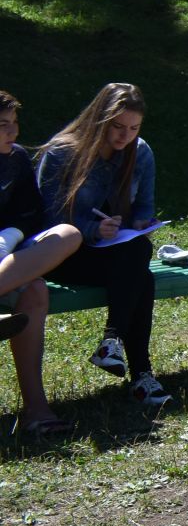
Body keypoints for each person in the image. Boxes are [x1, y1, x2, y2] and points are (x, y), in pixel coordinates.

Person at [35, 83, 171, 408]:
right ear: (99, 120)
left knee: (138, 259)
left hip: (114, 252)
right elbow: (47, 221)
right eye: (118, 127)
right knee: (140, 270)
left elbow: (145, 207)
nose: (126, 136)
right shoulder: (62, 154)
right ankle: (140, 373)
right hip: (63, 254)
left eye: (134, 128)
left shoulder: (141, 152)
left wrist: (140, 224)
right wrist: (94, 229)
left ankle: (117, 350)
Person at [0, 90, 84, 435]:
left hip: (8, 257)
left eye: (14, 123)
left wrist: (7, 237)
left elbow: (32, 215)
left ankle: (35, 411)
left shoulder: (16, 159)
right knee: (34, 290)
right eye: (4, 125)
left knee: (68, 234)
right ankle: (36, 410)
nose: (13, 133)